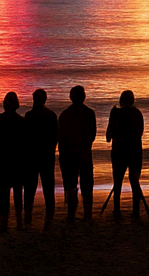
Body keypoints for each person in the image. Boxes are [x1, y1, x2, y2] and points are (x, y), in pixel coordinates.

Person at [106, 89, 147, 222]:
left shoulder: (115, 113)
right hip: (135, 151)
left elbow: (108, 136)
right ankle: (136, 210)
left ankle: (117, 209)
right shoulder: (137, 113)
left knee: (117, 181)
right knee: (134, 180)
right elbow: (139, 133)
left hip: (119, 151)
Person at [57, 85, 95, 221]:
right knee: (87, 187)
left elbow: (61, 138)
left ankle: (71, 214)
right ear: (83, 97)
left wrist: (62, 155)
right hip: (84, 154)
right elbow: (92, 135)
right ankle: (87, 214)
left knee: (71, 186)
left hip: (69, 155)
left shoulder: (65, 115)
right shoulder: (90, 114)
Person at [0, 91, 26, 230]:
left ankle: (3, 223)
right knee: (18, 193)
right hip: (17, 160)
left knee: (3, 194)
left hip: (2, 160)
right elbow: (25, 142)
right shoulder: (21, 121)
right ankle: (19, 222)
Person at [22, 89, 57, 225]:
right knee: (48, 186)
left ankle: (28, 213)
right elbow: (55, 137)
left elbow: (25, 137)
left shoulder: (29, 116)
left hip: (32, 155)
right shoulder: (51, 116)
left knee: (30, 187)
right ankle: (49, 214)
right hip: (47, 155)